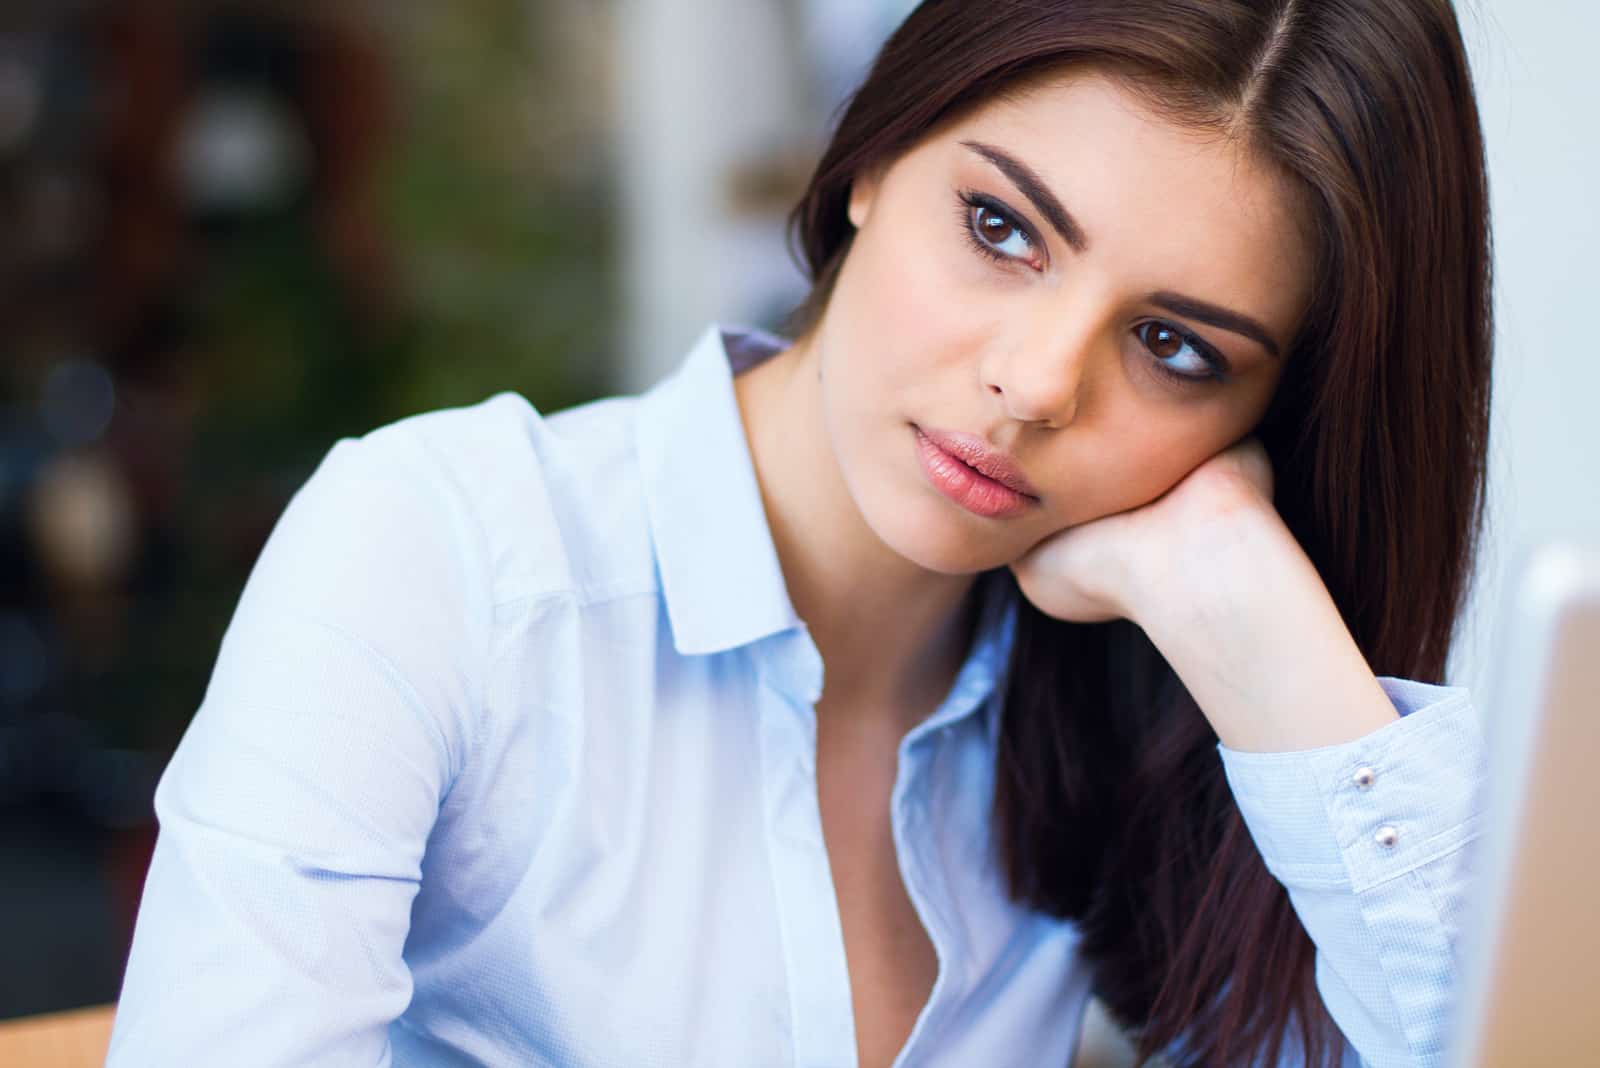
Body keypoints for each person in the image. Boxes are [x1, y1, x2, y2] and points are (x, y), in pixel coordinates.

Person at [107, 1, 1492, 1065]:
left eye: (1178, 349)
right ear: (876, 155)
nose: (1038, 384)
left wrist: (1254, 629)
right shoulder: (441, 557)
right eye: (1003, 227)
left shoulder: (1140, 696)